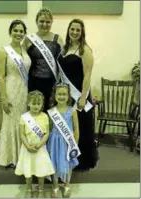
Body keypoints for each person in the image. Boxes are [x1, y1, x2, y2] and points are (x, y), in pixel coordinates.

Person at [57, 19, 99, 171]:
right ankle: (67, 156)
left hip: (79, 95)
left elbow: (87, 76)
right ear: (68, 30)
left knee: (80, 127)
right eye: (72, 29)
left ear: (82, 33)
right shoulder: (64, 48)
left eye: (78, 30)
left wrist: (82, 98)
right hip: (65, 95)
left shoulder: (85, 50)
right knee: (69, 127)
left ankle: (81, 160)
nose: (74, 32)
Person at [0, 20, 31, 168]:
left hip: (24, 91)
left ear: (24, 33)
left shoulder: (25, 50)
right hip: (11, 90)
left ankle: (22, 157)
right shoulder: (3, 51)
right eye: (15, 30)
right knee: (11, 122)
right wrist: (3, 98)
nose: (18, 33)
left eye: (21, 31)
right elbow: (0, 76)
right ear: (10, 32)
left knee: (23, 123)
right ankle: (10, 158)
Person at [15, 90, 55, 198]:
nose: (36, 106)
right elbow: (22, 134)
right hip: (27, 148)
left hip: (40, 148)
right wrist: (28, 146)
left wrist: (39, 145)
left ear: (42, 104)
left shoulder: (45, 116)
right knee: (28, 170)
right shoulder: (24, 117)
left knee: (40, 170)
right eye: (33, 103)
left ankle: (40, 190)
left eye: (38, 104)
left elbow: (46, 133)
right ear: (28, 103)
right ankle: (29, 189)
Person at [23, 8, 63, 112]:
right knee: (34, 111)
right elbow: (23, 60)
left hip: (52, 83)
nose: (44, 24)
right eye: (41, 21)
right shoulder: (29, 39)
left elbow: (63, 63)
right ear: (36, 22)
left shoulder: (58, 39)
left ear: (52, 22)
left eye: (48, 22)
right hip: (34, 82)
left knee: (51, 111)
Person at [47, 83, 80, 198]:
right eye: (59, 94)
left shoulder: (73, 111)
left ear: (68, 96)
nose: (61, 96)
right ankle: (55, 186)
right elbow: (49, 128)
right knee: (54, 163)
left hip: (68, 142)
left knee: (68, 163)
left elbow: (76, 129)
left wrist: (74, 143)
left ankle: (67, 185)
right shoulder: (52, 111)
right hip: (54, 142)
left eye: (64, 94)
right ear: (54, 95)